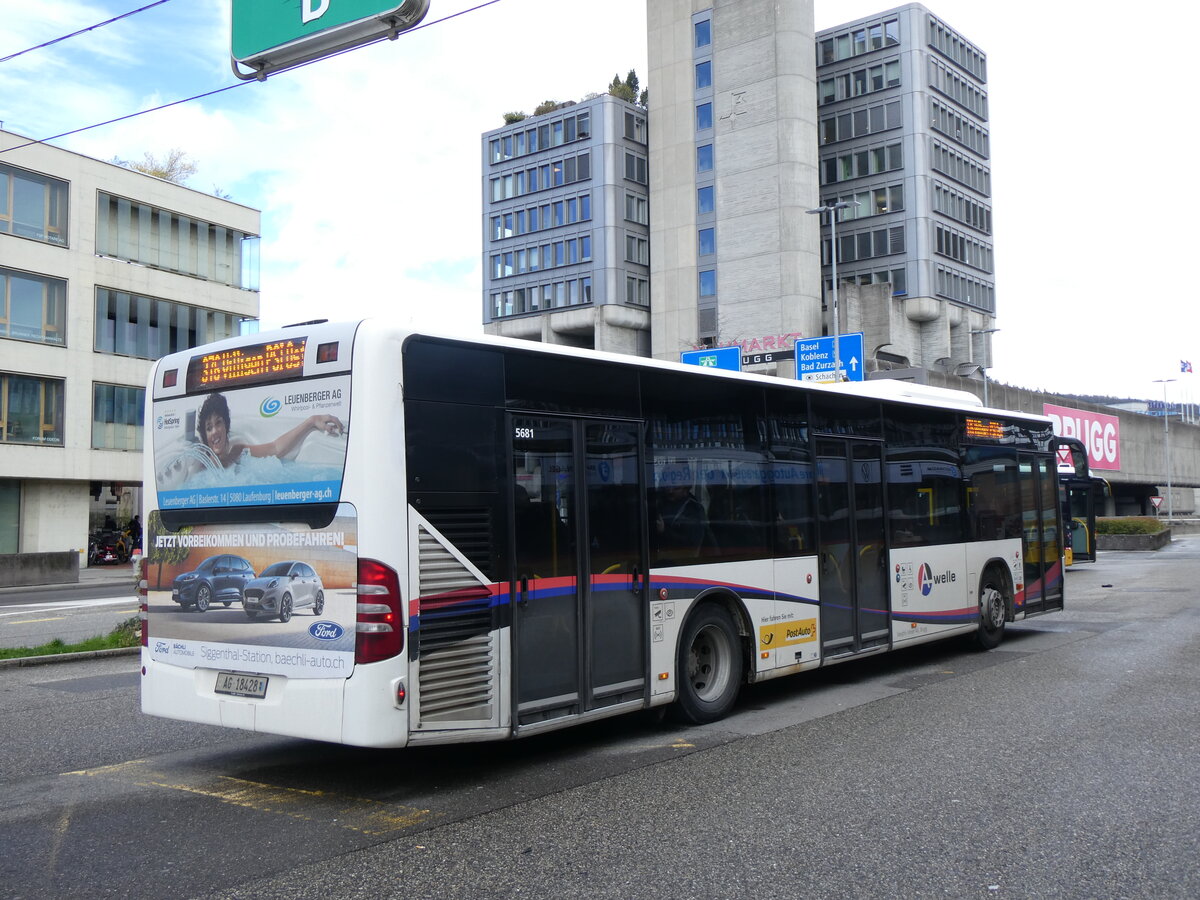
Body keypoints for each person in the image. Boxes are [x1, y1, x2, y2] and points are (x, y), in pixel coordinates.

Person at [197, 392, 344, 468]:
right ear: (204, 434)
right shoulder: (202, 464)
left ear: (226, 425)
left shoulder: (237, 452)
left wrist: (311, 421)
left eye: (218, 423)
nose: (214, 431)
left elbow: (275, 448)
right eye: (209, 428)